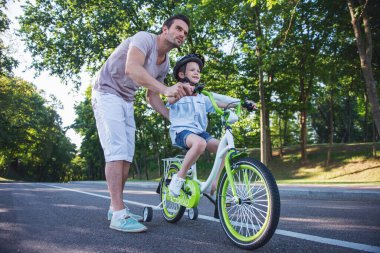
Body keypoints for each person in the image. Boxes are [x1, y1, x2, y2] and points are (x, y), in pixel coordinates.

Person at [92, 14, 193, 233]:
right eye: (178, 28)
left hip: (126, 99)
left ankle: (115, 207)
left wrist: (173, 118)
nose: (182, 35)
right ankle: (118, 215)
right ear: (164, 29)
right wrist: (165, 89)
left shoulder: (164, 64)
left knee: (127, 157)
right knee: (116, 151)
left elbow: (152, 96)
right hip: (106, 92)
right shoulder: (144, 39)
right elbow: (132, 69)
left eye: (185, 33)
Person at [167, 53, 242, 198]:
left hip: (200, 133)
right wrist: (183, 92)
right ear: (182, 74)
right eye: (192, 70)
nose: (197, 72)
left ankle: (216, 183)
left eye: (198, 71)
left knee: (224, 149)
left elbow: (223, 103)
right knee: (200, 143)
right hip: (181, 132)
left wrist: (243, 104)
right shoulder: (177, 90)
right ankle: (179, 178)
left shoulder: (203, 97)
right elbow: (170, 99)